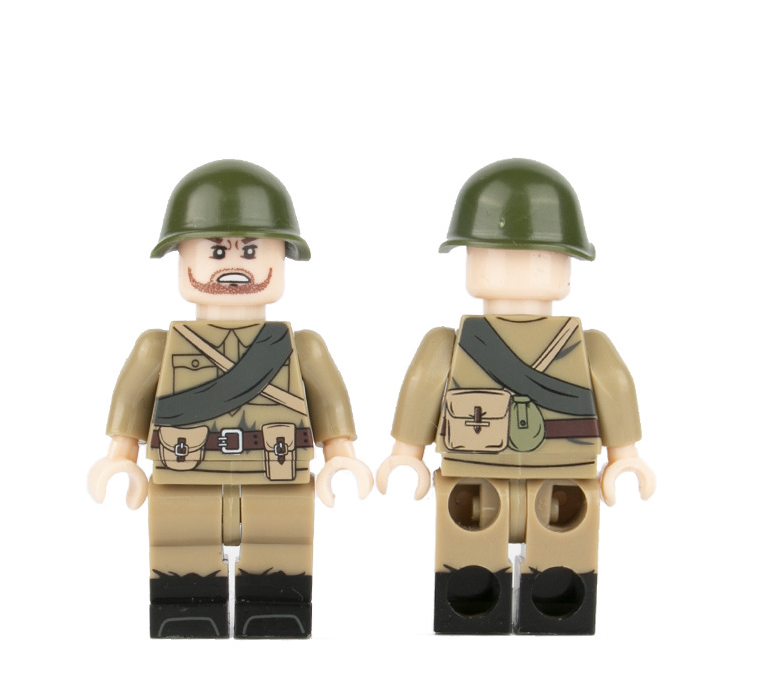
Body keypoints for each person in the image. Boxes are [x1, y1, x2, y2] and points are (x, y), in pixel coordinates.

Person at [89, 160, 372, 639]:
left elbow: (328, 405)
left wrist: (341, 456)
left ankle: (275, 610)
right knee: (180, 548)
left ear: (282, 258)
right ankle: (185, 610)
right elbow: (132, 408)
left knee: (282, 548)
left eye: (252, 250)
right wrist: (120, 458)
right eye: (216, 250)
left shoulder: (302, 347)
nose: (234, 265)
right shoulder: (157, 347)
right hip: (184, 471)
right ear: (182, 257)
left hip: (277, 472)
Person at [377, 159, 655, 635]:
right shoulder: (449, 343)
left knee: (563, 547)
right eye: (499, 256)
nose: (520, 266)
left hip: (563, 475)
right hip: (473, 475)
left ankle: (557, 603)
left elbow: (614, 385)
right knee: (469, 547)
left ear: (567, 267)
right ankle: (471, 604)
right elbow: (425, 383)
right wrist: (407, 454)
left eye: (538, 257)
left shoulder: (588, 346)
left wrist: (625, 458)